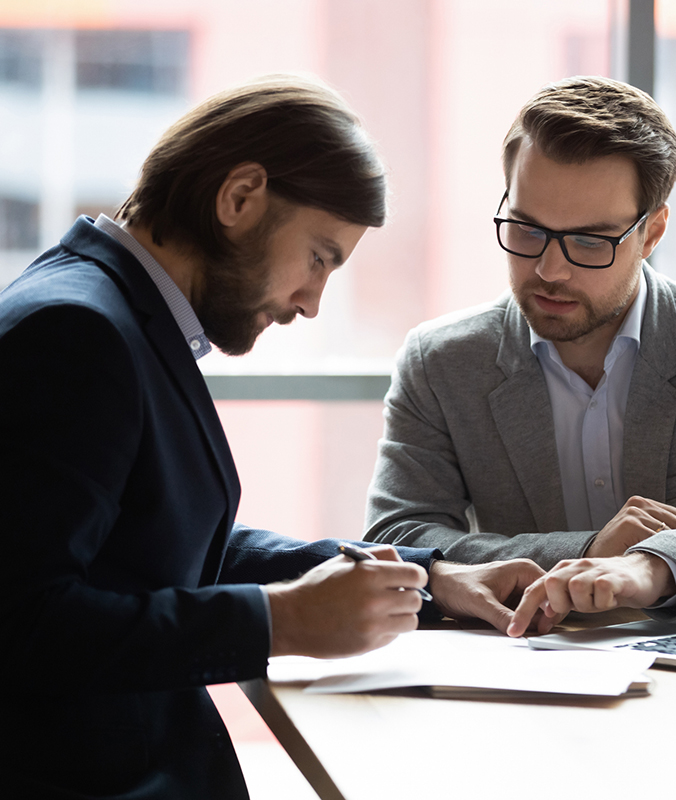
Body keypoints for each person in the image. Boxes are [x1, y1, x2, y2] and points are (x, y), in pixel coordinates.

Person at [0, 74, 545, 799]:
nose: (312, 303)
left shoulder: (116, 314)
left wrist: (426, 579)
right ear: (239, 197)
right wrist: (275, 623)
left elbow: (155, 545)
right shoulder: (77, 333)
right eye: (320, 257)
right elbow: (22, 624)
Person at [363, 75, 676, 637]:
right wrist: (586, 550)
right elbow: (397, 538)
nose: (550, 270)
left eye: (590, 242)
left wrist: (653, 565)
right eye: (526, 229)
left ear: (653, 232)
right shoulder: (441, 363)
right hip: (523, 667)